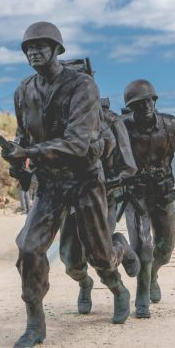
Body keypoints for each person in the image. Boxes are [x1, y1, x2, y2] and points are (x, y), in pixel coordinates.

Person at [1, 21, 140, 348]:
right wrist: (16, 156)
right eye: (28, 48)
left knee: (101, 257)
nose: (33, 51)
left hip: (85, 179)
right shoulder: (24, 90)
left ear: (57, 50)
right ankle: (35, 323)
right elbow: (25, 135)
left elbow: (78, 143)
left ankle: (120, 266)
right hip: (50, 183)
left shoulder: (82, 87)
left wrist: (30, 152)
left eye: (40, 46)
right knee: (29, 247)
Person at [120, 79, 175, 318]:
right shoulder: (121, 127)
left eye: (149, 100)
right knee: (143, 247)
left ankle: (152, 275)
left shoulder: (171, 125)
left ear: (155, 100)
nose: (146, 106)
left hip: (163, 193)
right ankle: (141, 294)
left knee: (164, 250)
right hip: (136, 195)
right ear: (130, 108)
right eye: (138, 103)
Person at [59, 97, 138, 315]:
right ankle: (85, 283)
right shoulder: (59, 120)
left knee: (100, 254)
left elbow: (129, 167)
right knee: (70, 260)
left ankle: (118, 289)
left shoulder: (109, 121)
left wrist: (104, 184)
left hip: (102, 198)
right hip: (71, 198)